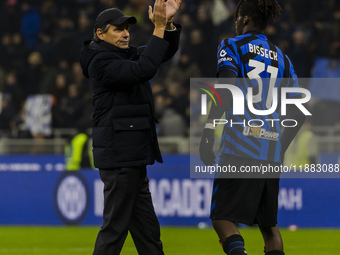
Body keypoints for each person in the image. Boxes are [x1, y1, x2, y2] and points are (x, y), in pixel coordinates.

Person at [199, 0, 306, 255]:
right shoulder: (284, 59)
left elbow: (226, 89)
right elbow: (299, 112)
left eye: (237, 18)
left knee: (222, 218)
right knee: (269, 227)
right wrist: (280, 147)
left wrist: (207, 131)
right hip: (270, 151)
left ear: (244, 19)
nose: (235, 23)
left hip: (240, 145)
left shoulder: (231, 46)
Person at [79, 0, 182, 254]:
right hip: (119, 157)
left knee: (148, 234)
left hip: (133, 156)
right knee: (114, 230)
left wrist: (167, 24)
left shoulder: (124, 54)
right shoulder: (100, 61)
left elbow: (162, 52)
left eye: (127, 28)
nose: (126, 33)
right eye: (118, 29)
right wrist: (157, 28)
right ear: (100, 34)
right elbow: (145, 69)